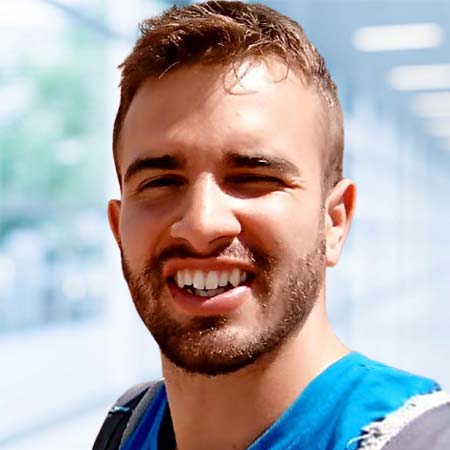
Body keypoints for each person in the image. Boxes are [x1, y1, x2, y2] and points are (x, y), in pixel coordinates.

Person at [94, 1, 450, 449]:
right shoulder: (129, 425)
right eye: (161, 182)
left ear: (334, 221)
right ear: (118, 229)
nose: (202, 224)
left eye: (254, 178)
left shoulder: (420, 438)